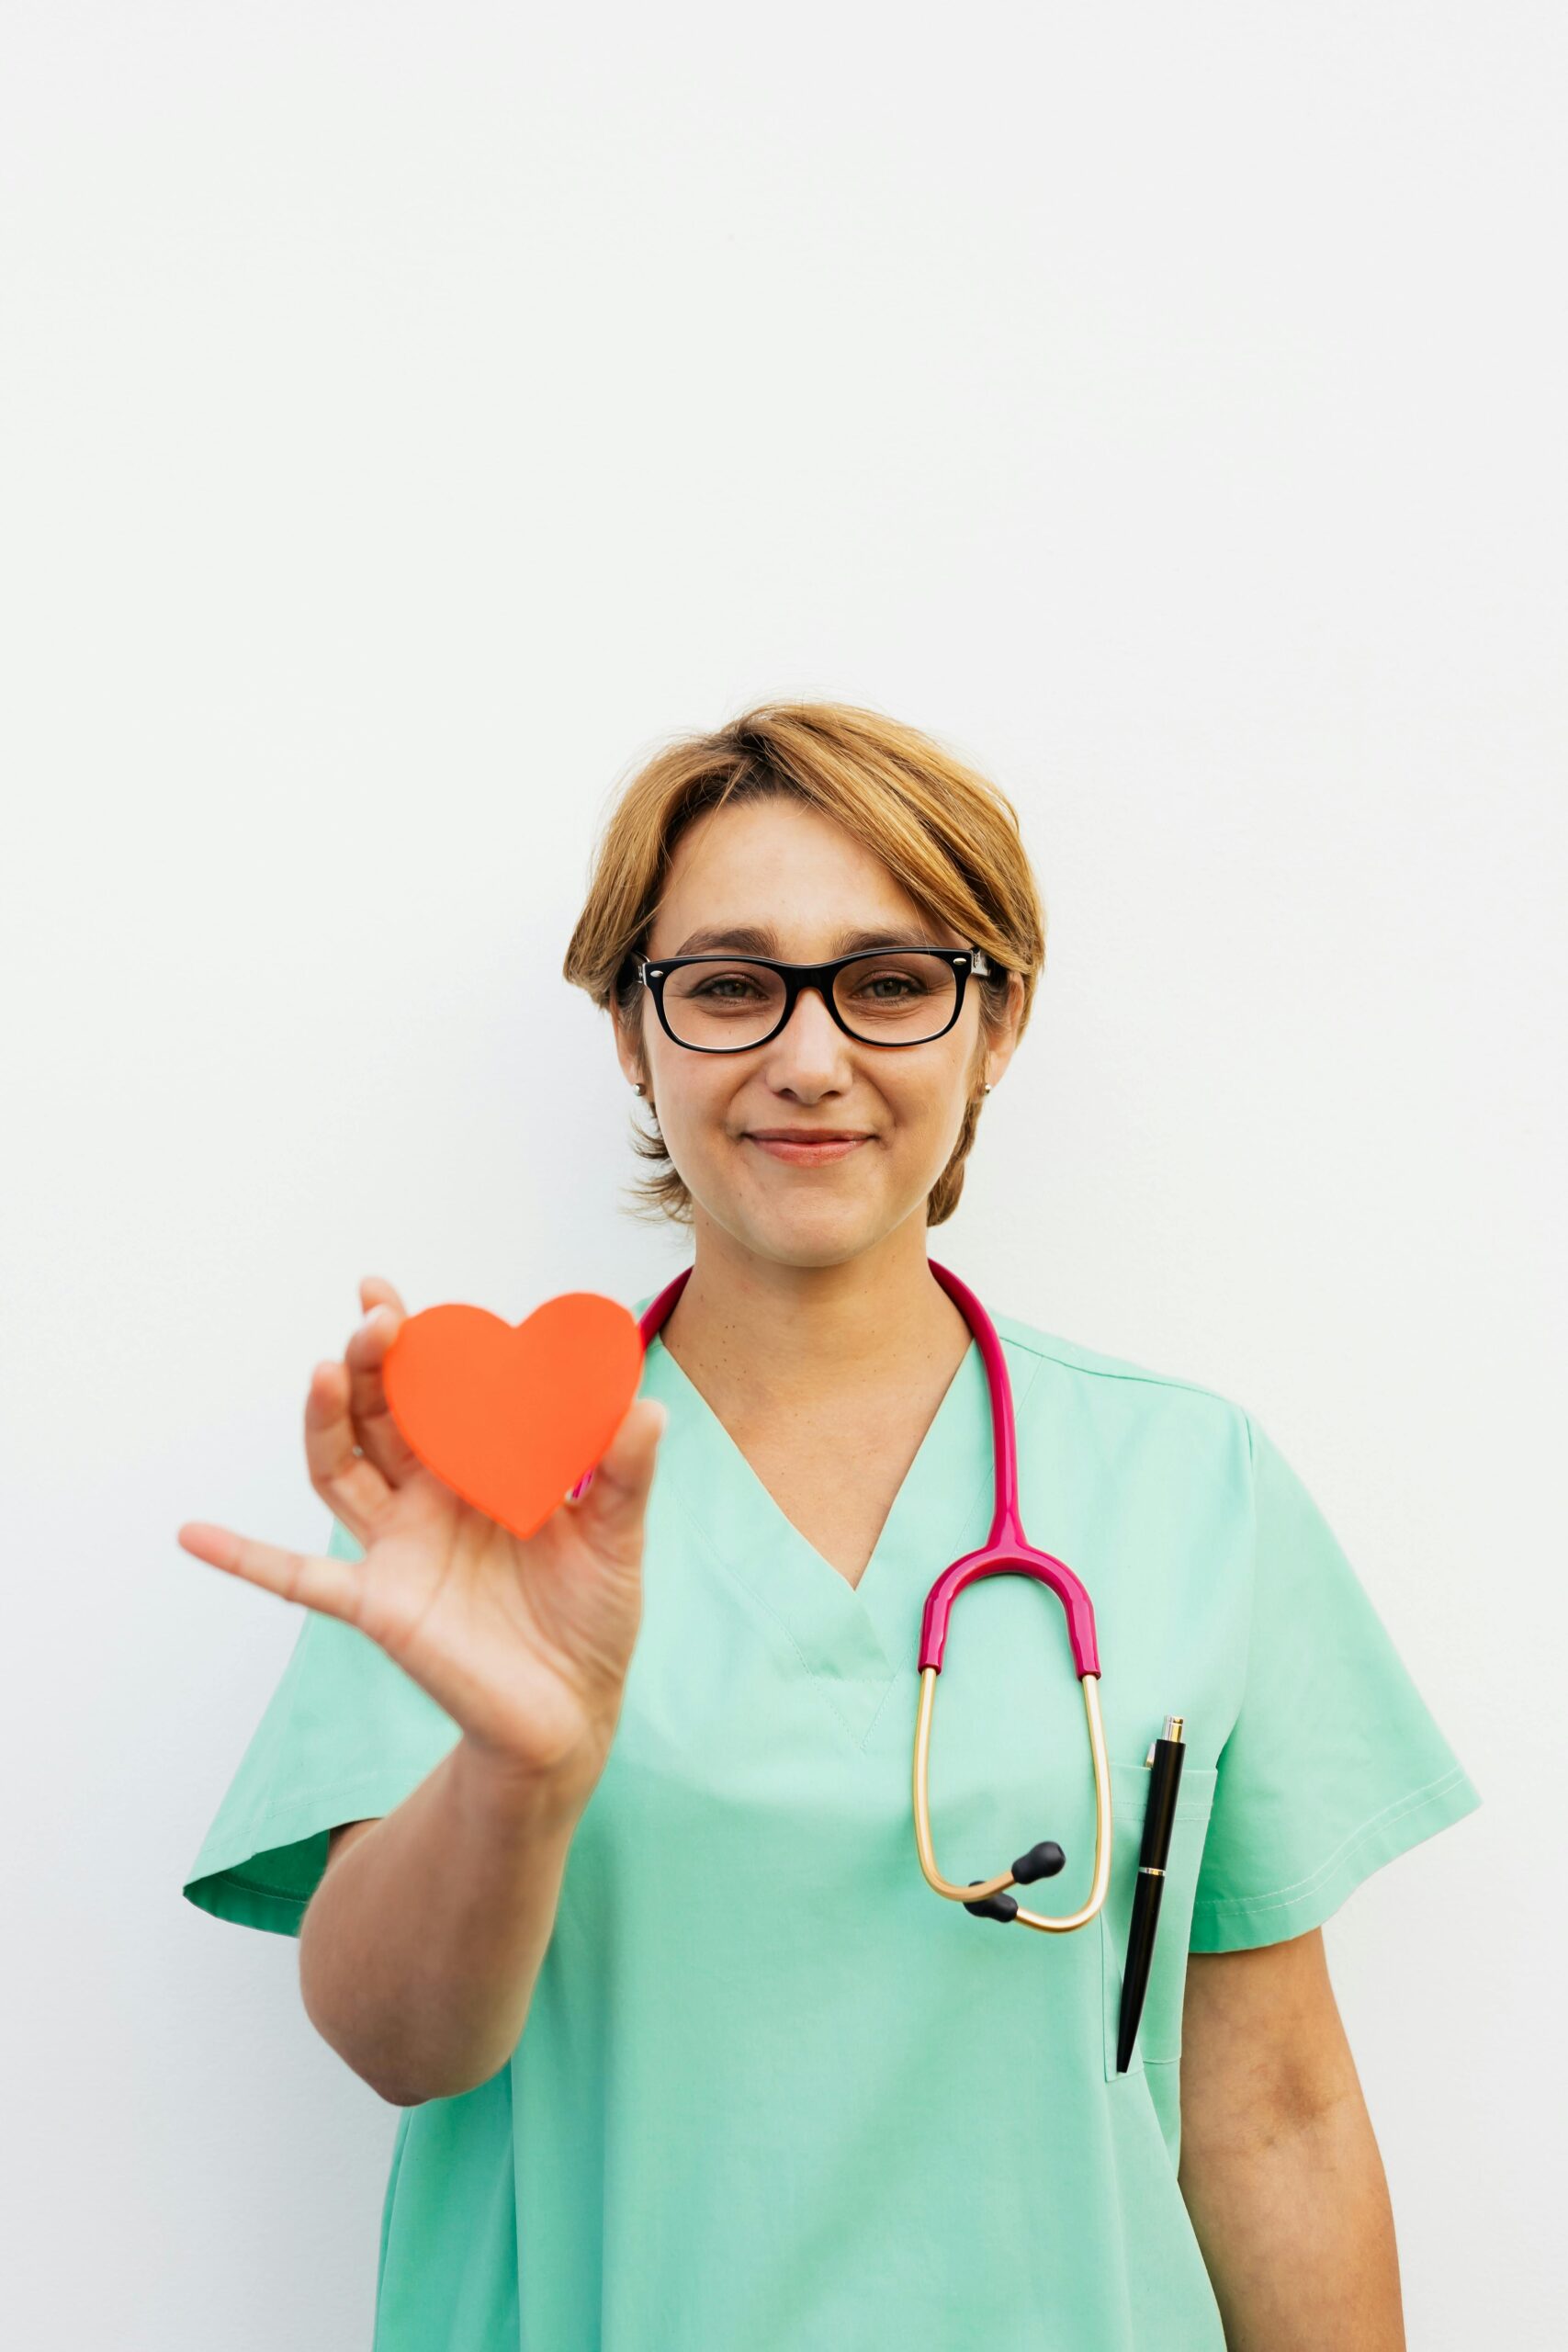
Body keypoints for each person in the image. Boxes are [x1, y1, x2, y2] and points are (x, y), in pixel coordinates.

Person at [178, 700, 1482, 2351]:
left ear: (992, 1026)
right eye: (727, 985)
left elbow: (1276, 2107)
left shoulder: (1191, 1485)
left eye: (890, 982)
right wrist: (520, 1771)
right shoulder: (474, 1498)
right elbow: (397, 2046)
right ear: (631, 1034)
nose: (810, 1057)